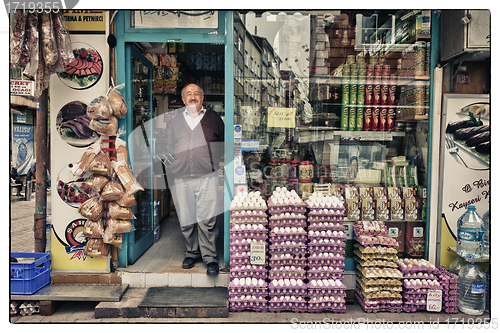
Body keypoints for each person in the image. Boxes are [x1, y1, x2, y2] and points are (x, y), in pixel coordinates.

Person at [167, 83, 225, 276]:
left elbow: (222, 146)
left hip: (207, 176)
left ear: (202, 98)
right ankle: (191, 253)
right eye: (188, 94)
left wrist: (212, 165)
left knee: (207, 219)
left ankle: (210, 258)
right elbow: (167, 148)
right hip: (182, 177)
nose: (193, 97)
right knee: (186, 217)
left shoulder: (214, 118)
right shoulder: (175, 122)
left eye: (196, 94)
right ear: (183, 99)